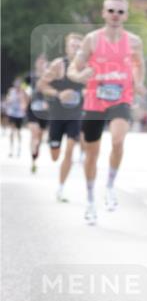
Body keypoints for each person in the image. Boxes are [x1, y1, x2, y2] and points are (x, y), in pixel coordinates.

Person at [67, 0, 145, 226]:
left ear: (126, 16)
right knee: (91, 153)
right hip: (94, 101)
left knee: (118, 141)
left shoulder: (134, 42)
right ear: (104, 13)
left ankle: (110, 185)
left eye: (120, 12)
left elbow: (139, 64)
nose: (115, 15)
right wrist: (79, 76)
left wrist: (137, 82)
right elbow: (74, 68)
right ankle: (90, 198)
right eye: (111, 10)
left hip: (121, 98)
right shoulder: (91, 40)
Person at [38, 33, 84, 203]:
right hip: (57, 116)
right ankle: (53, 147)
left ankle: (61, 188)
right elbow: (41, 85)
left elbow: (95, 87)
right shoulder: (59, 65)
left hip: (75, 116)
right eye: (73, 45)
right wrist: (59, 94)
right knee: (55, 155)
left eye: (80, 46)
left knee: (70, 150)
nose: (77, 49)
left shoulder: (86, 68)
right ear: (67, 48)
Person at [26, 56, 50, 173]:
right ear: (36, 64)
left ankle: (35, 154)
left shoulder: (50, 78)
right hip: (32, 109)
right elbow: (23, 89)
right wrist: (24, 100)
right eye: (39, 62)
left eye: (43, 63)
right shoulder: (30, 77)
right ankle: (33, 160)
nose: (41, 64)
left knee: (39, 136)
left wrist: (49, 101)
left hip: (44, 112)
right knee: (34, 133)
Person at [5, 79, 29, 157]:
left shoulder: (23, 92)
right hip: (12, 113)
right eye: (16, 84)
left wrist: (24, 107)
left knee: (18, 132)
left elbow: (27, 101)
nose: (17, 85)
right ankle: (11, 149)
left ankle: (19, 148)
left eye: (19, 84)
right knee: (12, 131)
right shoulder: (11, 91)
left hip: (19, 114)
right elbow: (7, 99)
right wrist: (10, 100)